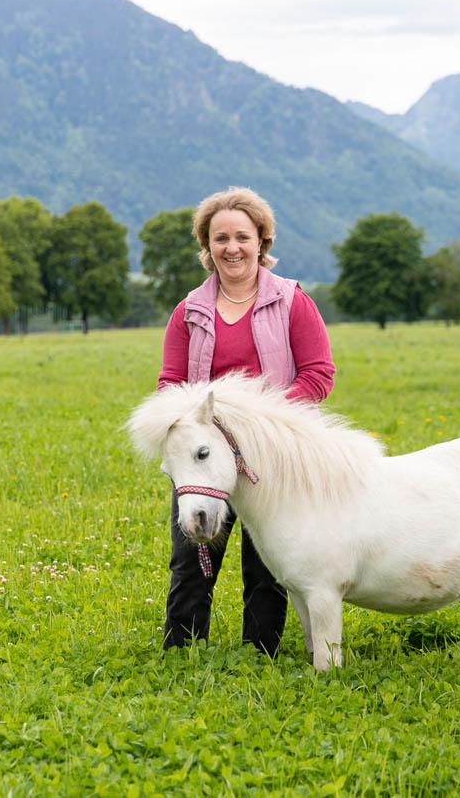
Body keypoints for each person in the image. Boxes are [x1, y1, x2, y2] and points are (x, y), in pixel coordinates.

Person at [156, 187, 335, 654]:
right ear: (207, 246)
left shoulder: (294, 302)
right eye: (220, 238)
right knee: (192, 557)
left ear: (262, 241)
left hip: (270, 457)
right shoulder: (188, 312)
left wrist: (265, 421)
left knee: (266, 563)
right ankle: (183, 650)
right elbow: (170, 384)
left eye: (242, 236)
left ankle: (261, 652)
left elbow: (319, 374)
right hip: (205, 459)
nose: (231, 247)